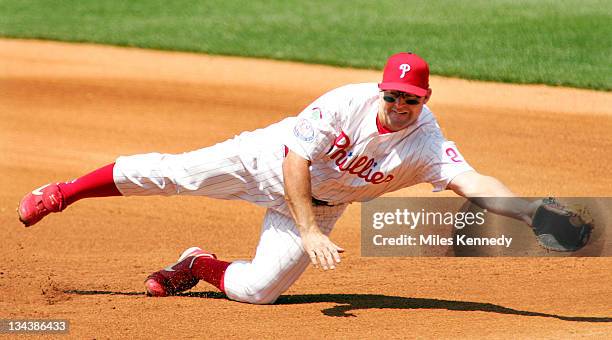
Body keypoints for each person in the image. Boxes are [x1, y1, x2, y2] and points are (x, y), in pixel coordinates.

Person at [17, 52, 536, 304]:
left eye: (411, 99)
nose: (400, 105)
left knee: (259, 292)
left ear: (425, 100)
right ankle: (61, 194)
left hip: (321, 203)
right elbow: (295, 159)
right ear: (382, 91)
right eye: (393, 95)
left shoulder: (424, 143)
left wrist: (534, 212)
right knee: (171, 173)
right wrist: (309, 232)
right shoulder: (346, 102)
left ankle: (196, 263)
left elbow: (474, 181)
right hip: (266, 159)